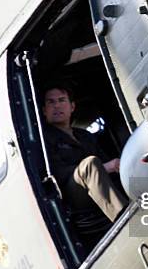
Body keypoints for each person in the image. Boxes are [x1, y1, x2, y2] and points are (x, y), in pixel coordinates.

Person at [42, 84, 128, 222]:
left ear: (72, 107)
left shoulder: (85, 135)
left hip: (98, 183)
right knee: (90, 164)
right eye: (51, 102)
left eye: (61, 100)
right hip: (72, 192)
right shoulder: (43, 139)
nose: (57, 106)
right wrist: (102, 168)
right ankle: (124, 219)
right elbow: (56, 173)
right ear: (45, 111)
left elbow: (104, 161)